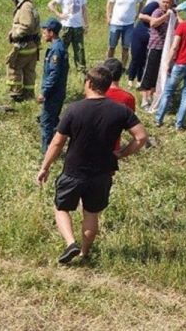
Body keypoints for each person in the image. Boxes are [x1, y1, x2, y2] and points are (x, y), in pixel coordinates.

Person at [37, 66, 148, 264]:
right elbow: (141, 137)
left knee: (61, 207)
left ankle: (71, 242)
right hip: (103, 172)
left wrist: (45, 167)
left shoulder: (74, 109)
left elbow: (57, 142)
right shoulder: (120, 110)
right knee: (91, 213)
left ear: (89, 83)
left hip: (74, 170)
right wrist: (122, 153)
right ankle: (85, 253)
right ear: (106, 86)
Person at [139, 0, 177, 111]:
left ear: (172, 4)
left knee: (160, 74)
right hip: (155, 47)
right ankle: (144, 100)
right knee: (149, 73)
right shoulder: (158, 12)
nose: (165, 5)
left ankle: (155, 96)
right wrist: (166, 16)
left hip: (166, 49)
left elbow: (178, 24)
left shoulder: (173, 14)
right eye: (164, 2)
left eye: (168, 3)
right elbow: (153, 23)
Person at [37, 18, 69, 152]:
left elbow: (53, 74)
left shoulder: (56, 50)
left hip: (53, 93)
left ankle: (47, 152)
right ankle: (56, 148)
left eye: (44, 31)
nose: (43, 33)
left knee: (47, 122)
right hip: (57, 91)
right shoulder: (58, 46)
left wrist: (44, 92)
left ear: (51, 32)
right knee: (54, 121)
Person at [5, 0, 41, 101]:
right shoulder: (29, 5)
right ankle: (28, 94)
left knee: (14, 66)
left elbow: (27, 25)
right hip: (32, 46)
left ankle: (15, 94)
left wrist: (14, 34)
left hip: (23, 46)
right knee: (28, 70)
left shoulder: (25, 7)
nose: (13, 1)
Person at [47, 0, 88, 74]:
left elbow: (84, 9)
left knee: (79, 49)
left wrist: (86, 24)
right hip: (66, 26)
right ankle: (60, 66)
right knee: (62, 48)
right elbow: (50, 4)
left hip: (78, 26)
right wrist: (59, 14)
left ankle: (81, 69)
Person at [106, 0, 143, 68]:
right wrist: (108, 16)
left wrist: (138, 14)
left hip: (129, 25)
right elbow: (109, 3)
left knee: (126, 47)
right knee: (112, 46)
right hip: (115, 23)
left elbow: (141, 2)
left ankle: (122, 67)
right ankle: (107, 66)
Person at [102, 58, 136, 152]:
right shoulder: (128, 98)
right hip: (113, 147)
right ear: (121, 74)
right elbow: (129, 123)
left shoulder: (94, 93)